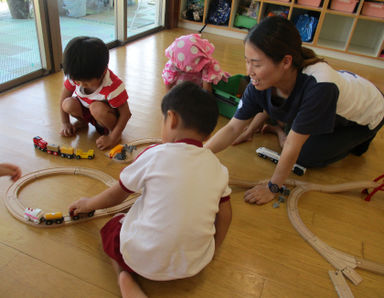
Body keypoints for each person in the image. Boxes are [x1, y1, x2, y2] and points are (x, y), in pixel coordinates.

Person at [68, 81, 232, 297]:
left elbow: (117, 195)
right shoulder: (218, 168)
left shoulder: (154, 153)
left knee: (112, 229)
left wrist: (87, 203)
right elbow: (226, 215)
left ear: (171, 119)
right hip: (194, 264)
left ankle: (124, 278)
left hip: (143, 259)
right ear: (209, 135)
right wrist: (212, 249)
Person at [205, 16, 384, 205]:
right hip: (333, 100)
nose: (249, 70)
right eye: (247, 61)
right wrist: (198, 153)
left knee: (305, 155)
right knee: (296, 132)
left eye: (256, 64)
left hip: (368, 115)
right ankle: (282, 127)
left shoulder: (320, 86)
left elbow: (292, 146)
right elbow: (233, 128)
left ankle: (284, 128)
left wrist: (272, 187)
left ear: (285, 61)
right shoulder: (259, 83)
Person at [59, 36, 131, 150]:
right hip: (87, 111)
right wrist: (65, 123)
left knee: (96, 107)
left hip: (105, 118)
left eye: (86, 83)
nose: (81, 84)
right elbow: (63, 98)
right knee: (67, 104)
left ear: (103, 73)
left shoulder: (113, 86)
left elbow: (126, 114)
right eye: (77, 81)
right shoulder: (76, 76)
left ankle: (113, 132)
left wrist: (112, 137)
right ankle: (83, 123)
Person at [162, 33, 230, 93]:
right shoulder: (173, 65)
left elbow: (207, 92)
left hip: (197, 90)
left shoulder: (206, 64)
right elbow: (168, 89)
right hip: (179, 92)